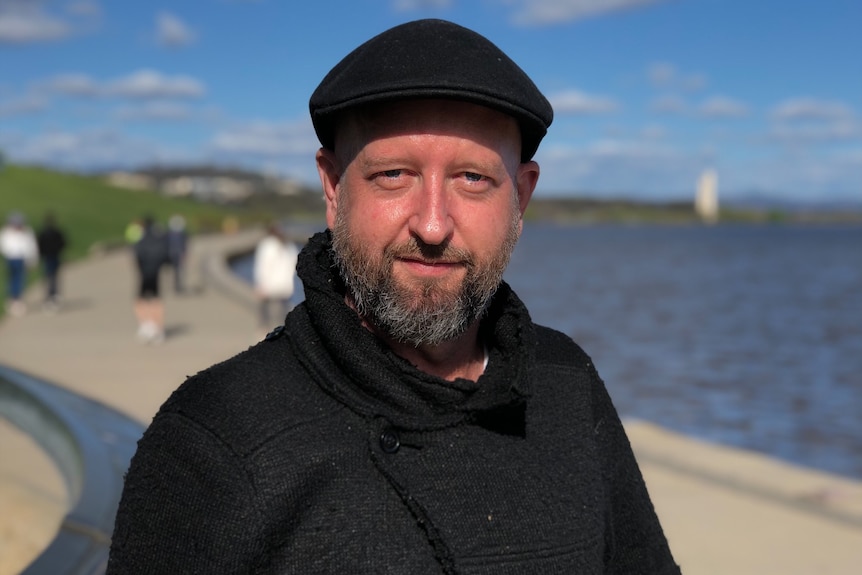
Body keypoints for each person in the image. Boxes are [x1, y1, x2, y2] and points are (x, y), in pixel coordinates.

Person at [108, 19, 680, 574]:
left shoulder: (565, 381)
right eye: (394, 175)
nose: (432, 225)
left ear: (521, 199)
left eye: (473, 179)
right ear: (333, 189)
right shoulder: (215, 438)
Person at [253, 222, 299, 332]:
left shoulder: (266, 245)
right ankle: (284, 331)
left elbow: (262, 266)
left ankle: (264, 328)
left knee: (264, 307)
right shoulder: (288, 245)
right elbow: (295, 263)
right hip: (285, 284)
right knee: (283, 310)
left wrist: (260, 284)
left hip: (269, 284)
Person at [132, 216, 170, 344]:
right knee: (156, 299)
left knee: (141, 299)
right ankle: (158, 328)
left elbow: (138, 255)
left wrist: (141, 268)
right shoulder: (159, 239)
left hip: (144, 274)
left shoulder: (141, 239)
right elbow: (165, 255)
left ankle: (145, 325)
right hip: (155, 273)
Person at [1, 211, 38, 317]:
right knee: (11, 279)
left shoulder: (26, 232)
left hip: (21, 259)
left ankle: (17, 299)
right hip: (10, 258)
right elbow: (3, 245)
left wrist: (32, 260)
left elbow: (31, 247)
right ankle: (12, 299)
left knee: (20, 279)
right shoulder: (6, 232)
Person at [36, 212, 68, 311]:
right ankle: (53, 295)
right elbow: (63, 243)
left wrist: (41, 255)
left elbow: (39, 246)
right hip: (54, 257)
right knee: (53, 277)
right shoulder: (57, 232)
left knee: (49, 277)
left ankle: (50, 295)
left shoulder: (43, 233)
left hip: (48, 258)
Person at [166, 214, 188, 293]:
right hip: (176, 253)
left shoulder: (170, 233)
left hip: (174, 253)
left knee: (176, 270)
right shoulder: (181, 234)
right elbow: (184, 245)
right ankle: (176, 285)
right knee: (177, 270)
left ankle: (176, 285)